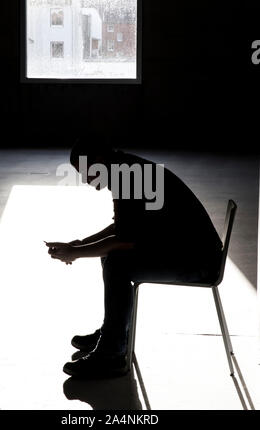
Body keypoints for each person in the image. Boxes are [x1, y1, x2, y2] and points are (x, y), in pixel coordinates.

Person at [46, 137, 223, 378]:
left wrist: (76, 253)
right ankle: (115, 334)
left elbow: (123, 238)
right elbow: (123, 228)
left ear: (97, 161)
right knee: (111, 256)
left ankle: (112, 353)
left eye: (84, 172)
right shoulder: (126, 168)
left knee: (117, 262)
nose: (85, 180)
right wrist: (79, 244)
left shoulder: (126, 176)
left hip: (199, 263)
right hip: (191, 253)